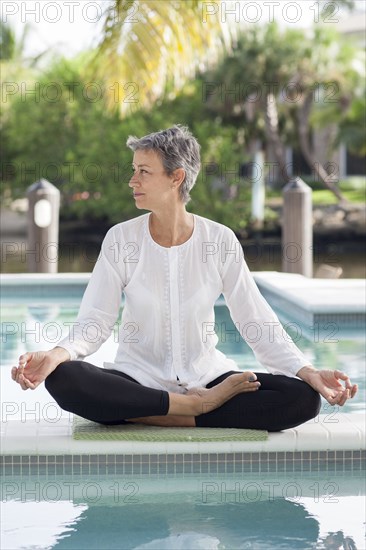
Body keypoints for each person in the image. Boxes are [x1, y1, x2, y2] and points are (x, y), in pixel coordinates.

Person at [11, 126, 357, 431]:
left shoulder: (219, 240)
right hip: (138, 379)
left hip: (207, 376)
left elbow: (254, 319)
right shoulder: (121, 239)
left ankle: (150, 412)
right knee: (65, 378)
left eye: (143, 172)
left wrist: (306, 370)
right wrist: (58, 353)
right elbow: (95, 321)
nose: (133, 180)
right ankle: (194, 408)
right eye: (135, 170)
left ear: (176, 177)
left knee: (301, 398)